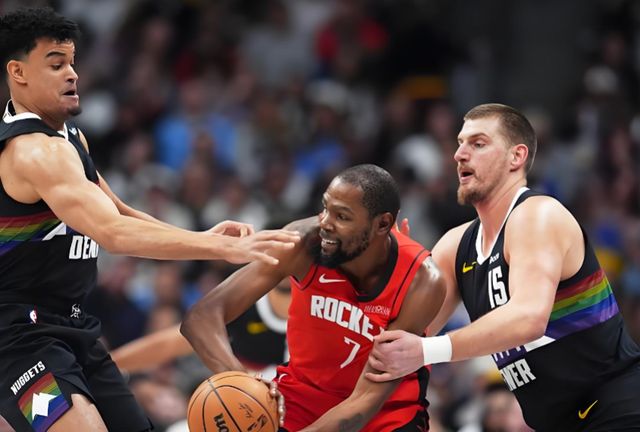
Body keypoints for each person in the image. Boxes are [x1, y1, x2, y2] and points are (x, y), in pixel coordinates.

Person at [0, 7, 299, 432]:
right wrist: (222, 247)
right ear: (18, 72)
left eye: (72, 62)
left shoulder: (69, 138)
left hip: (72, 325)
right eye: (56, 64)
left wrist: (199, 234)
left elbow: (119, 211)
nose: (72, 74)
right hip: (16, 339)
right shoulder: (34, 152)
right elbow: (112, 232)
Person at [367, 103, 640, 431]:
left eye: (478, 143)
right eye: (460, 143)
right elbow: (403, 337)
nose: (459, 154)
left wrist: (426, 351)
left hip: (618, 407)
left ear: (517, 157)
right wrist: (391, 276)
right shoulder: (456, 246)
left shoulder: (538, 215)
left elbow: (529, 318)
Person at [181, 164, 446, 431]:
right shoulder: (302, 243)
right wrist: (243, 385)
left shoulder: (421, 281)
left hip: (384, 416)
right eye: (325, 208)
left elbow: (362, 403)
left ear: (383, 224)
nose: (325, 224)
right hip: (298, 403)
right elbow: (201, 317)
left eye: (342, 216)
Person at [110, 278, 291, 378]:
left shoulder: (311, 308)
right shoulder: (242, 306)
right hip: (252, 402)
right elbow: (168, 344)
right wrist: (108, 365)